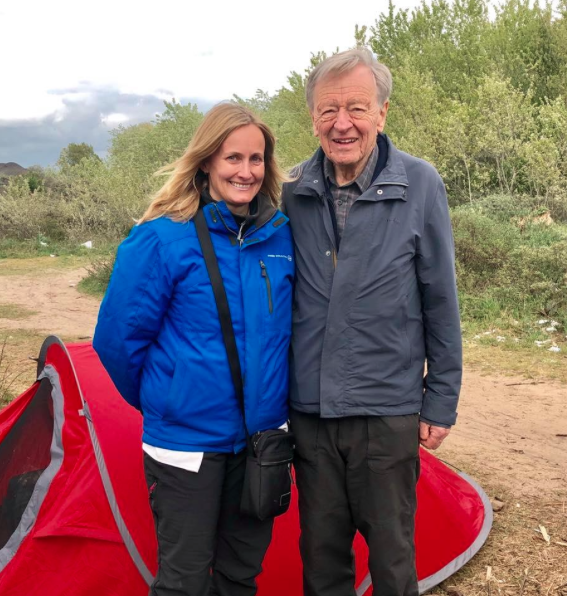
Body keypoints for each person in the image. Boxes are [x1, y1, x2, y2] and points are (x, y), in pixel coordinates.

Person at [93, 102, 294, 596]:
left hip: (260, 444)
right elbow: (117, 341)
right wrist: (168, 400)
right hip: (185, 448)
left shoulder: (281, 236)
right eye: (232, 158)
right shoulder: (162, 239)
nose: (246, 171)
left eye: (256, 159)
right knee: (183, 582)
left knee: (240, 576)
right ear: (206, 161)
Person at [281, 48, 462, 596]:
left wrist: (440, 400)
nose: (342, 124)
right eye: (328, 110)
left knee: (391, 557)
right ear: (312, 116)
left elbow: (441, 300)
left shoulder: (420, 183)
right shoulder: (289, 190)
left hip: (387, 411)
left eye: (357, 108)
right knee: (322, 556)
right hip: (310, 412)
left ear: (383, 113)